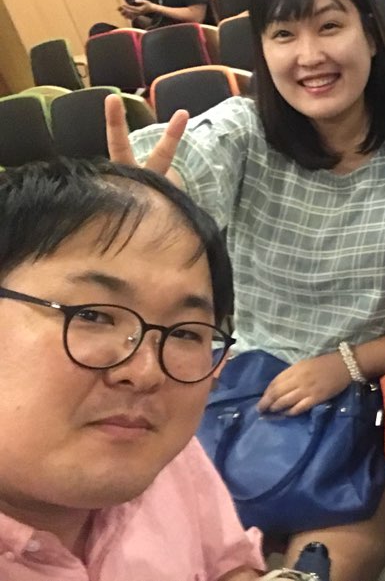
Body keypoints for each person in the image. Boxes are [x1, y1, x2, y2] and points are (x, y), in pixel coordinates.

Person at [107, 0, 385, 580]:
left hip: (370, 397)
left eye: (329, 26)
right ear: (261, 49)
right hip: (240, 392)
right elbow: (181, 167)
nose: (309, 56)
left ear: (372, 34)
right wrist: (137, 199)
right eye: (284, 34)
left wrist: (343, 365)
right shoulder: (244, 130)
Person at [0, 158, 264, 580]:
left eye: (185, 333)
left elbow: (229, 566)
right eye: (93, 315)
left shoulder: (150, 446)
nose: (146, 373)